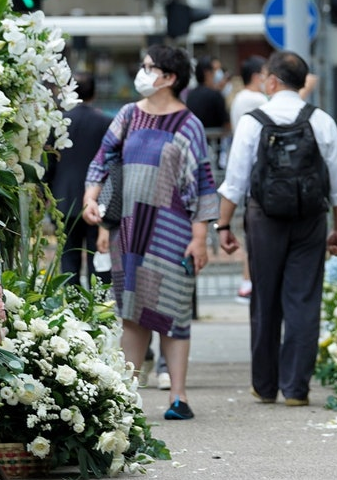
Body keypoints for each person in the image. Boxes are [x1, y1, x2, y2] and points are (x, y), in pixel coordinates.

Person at [82, 45, 218, 421]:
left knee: (173, 313)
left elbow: (203, 186)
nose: (142, 74)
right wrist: (91, 199)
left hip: (171, 233)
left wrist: (199, 238)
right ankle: (126, 396)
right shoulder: (128, 115)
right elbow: (103, 160)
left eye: (148, 68)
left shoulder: (188, 124)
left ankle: (179, 396)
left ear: (169, 78)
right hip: (130, 229)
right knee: (132, 314)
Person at [216, 50, 337, 406]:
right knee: (304, 300)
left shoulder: (252, 120)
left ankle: (264, 384)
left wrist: (223, 225)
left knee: (264, 299)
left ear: (272, 81)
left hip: (264, 219)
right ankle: (296, 389)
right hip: (310, 218)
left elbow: (235, 181)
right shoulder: (321, 120)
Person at [47, 71, 112, 288]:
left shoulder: (58, 123)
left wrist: (44, 192)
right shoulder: (105, 122)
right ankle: (98, 305)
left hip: (63, 198)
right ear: (94, 93)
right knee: (99, 255)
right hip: (98, 200)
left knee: (68, 257)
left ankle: (72, 307)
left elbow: (48, 163)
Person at [226, 54, 268, 302]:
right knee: (256, 232)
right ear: (256, 76)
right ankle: (249, 282)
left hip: (244, 168)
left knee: (250, 229)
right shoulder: (256, 99)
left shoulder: (239, 98)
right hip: (258, 170)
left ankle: (247, 281)